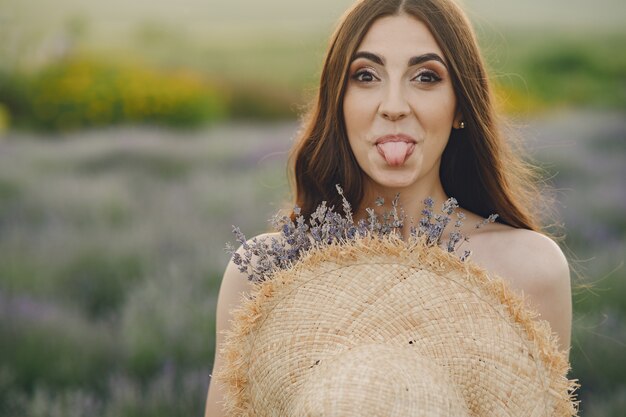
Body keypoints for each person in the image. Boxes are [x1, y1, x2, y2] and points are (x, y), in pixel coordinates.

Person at [204, 0, 573, 415]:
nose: (394, 105)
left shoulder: (530, 270)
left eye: (426, 77)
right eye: (366, 75)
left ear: (461, 108)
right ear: (338, 102)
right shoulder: (263, 273)